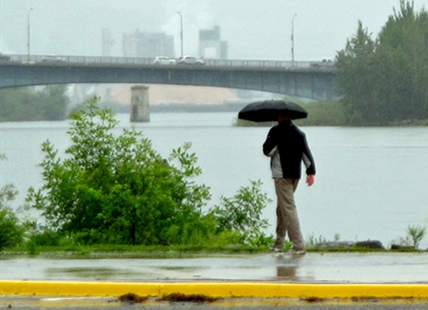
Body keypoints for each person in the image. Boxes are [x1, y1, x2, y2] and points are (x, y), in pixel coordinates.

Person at [262, 112, 316, 255]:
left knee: (288, 208)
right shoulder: (299, 133)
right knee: (282, 209)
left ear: (280, 117)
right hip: (295, 175)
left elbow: (268, 151)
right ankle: (278, 244)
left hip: (281, 176)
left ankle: (298, 245)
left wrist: (270, 138)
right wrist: (311, 172)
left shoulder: (276, 132)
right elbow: (306, 154)